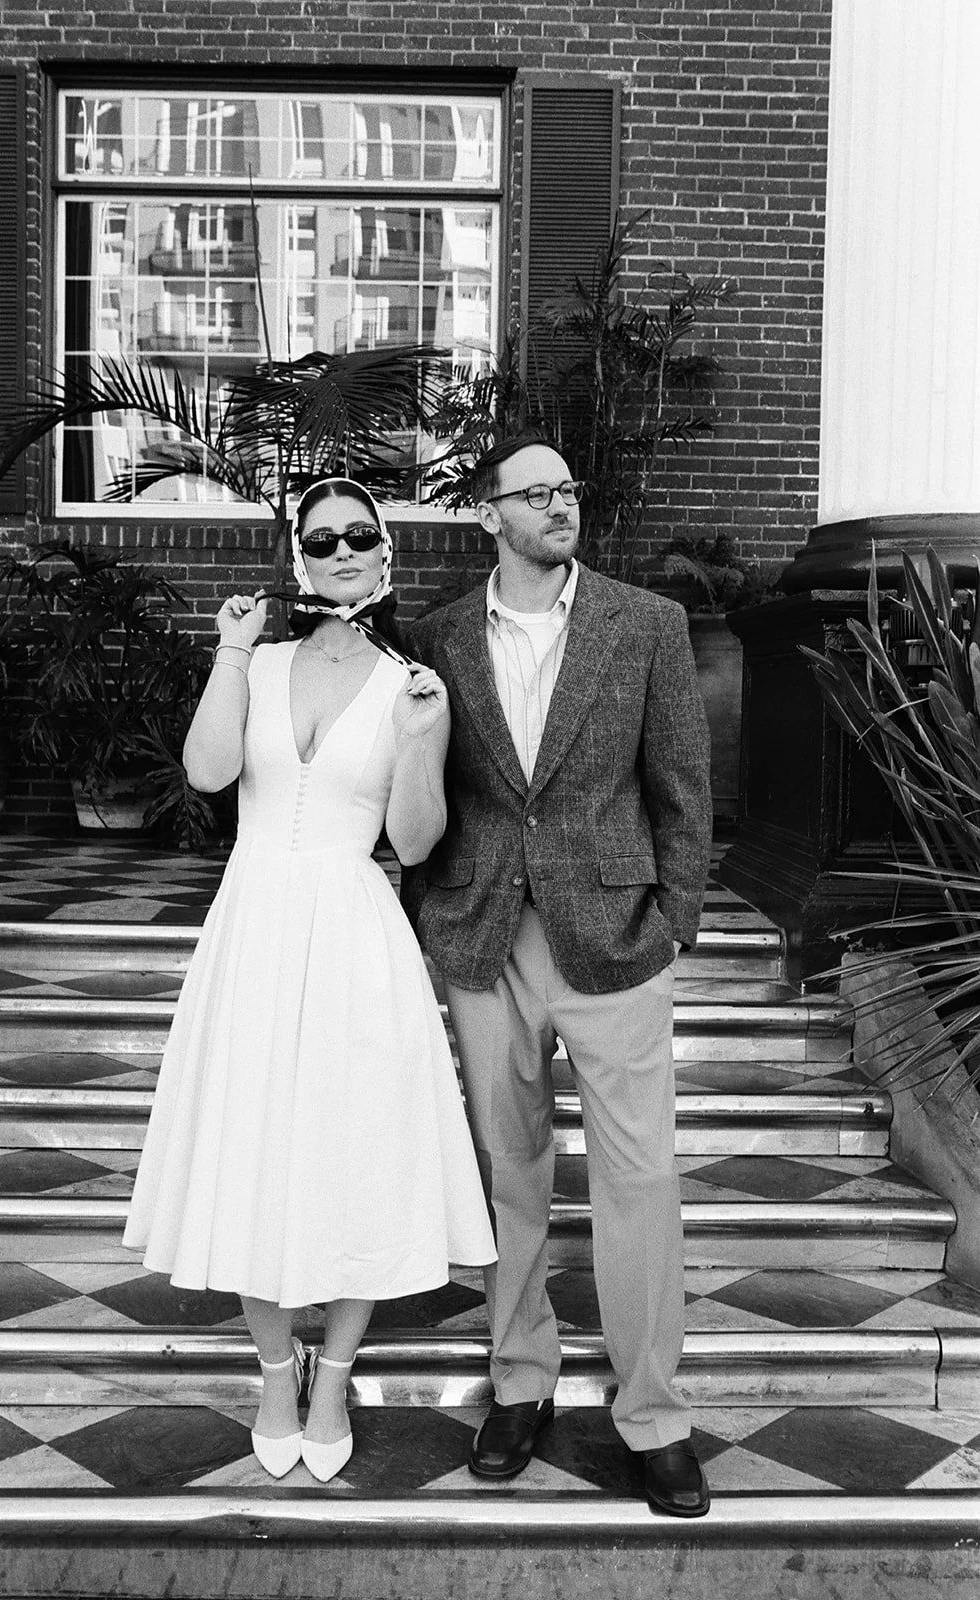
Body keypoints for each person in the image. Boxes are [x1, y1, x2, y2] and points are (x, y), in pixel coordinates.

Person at [124, 477, 496, 1484]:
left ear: (386, 556)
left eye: (357, 537)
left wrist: (422, 740)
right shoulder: (262, 657)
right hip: (252, 925)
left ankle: (332, 1375)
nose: (339, 552)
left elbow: (412, 840)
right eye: (320, 538)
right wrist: (232, 650)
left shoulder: (411, 681)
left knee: (353, 1150)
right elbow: (205, 774)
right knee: (255, 1146)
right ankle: (274, 1372)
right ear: (298, 557)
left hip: (352, 929)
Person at [402, 432, 713, 1517]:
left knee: (640, 1179)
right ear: (486, 514)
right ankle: (519, 1382)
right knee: (510, 1173)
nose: (557, 506)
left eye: (566, 490)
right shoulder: (436, 634)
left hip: (614, 937)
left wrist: (675, 916)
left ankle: (653, 1415)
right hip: (482, 937)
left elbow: (680, 782)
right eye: (533, 495)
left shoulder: (646, 624)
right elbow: (421, 782)